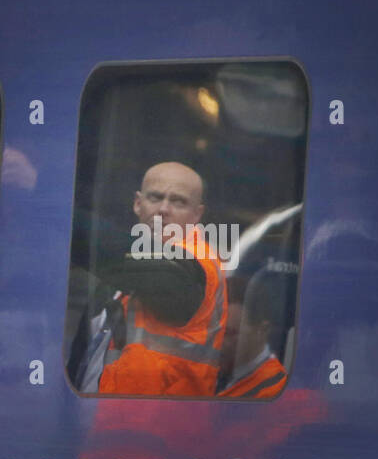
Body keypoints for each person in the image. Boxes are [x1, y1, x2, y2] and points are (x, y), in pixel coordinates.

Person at [94, 161, 228, 396]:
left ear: (197, 214)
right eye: (155, 197)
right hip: (113, 411)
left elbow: (155, 270)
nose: (164, 209)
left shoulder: (198, 263)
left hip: (167, 416)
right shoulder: (115, 280)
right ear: (138, 203)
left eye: (178, 202)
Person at [218, 270, 289, 398]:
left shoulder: (273, 392)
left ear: (262, 331)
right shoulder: (214, 376)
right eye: (215, 333)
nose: (218, 343)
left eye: (229, 333)